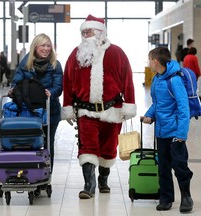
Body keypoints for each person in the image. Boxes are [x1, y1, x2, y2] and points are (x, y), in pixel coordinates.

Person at [61, 14, 136, 199]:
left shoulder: (117, 53)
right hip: (85, 111)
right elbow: (67, 81)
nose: (86, 34)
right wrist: (68, 106)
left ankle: (103, 180)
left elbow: (128, 80)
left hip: (112, 110)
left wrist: (129, 105)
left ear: (101, 32)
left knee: (108, 147)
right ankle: (89, 185)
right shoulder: (76, 54)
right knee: (87, 147)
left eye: (89, 31)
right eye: (83, 31)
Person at [141, 46, 193, 213]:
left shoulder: (175, 80)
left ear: (156, 61)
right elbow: (158, 104)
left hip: (175, 133)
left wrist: (181, 134)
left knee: (180, 166)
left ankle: (186, 196)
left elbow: (183, 108)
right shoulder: (157, 79)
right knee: (163, 167)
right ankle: (166, 198)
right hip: (161, 132)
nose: (148, 63)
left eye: (149, 60)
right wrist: (149, 116)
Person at [8, 33, 63, 172]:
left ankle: (46, 173)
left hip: (50, 110)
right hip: (29, 111)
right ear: (35, 47)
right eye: (43, 45)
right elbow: (16, 82)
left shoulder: (55, 65)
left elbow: (59, 87)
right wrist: (12, 89)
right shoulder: (26, 64)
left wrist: (51, 92)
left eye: (48, 46)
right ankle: (31, 171)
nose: (46, 49)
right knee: (31, 141)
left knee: (47, 142)